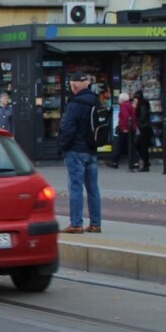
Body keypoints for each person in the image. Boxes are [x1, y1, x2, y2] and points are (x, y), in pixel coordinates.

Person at [56, 71, 102, 234]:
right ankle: (95, 224)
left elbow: (67, 128)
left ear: (74, 85)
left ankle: (76, 223)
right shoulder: (96, 101)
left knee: (75, 188)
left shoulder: (75, 104)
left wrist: (62, 147)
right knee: (93, 188)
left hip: (76, 150)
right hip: (92, 149)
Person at [113, 92, 137, 170]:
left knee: (120, 145)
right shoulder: (129, 105)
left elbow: (125, 117)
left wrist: (125, 128)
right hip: (130, 128)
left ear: (122, 99)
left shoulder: (123, 105)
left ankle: (115, 162)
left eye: (119, 98)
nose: (118, 100)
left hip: (125, 129)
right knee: (130, 146)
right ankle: (135, 162)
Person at [132, 89, 152, 172]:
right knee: (140, 146)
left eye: (135, 98)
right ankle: (145, 162)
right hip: (144, 127)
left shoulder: (142, 105)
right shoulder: (143, 104)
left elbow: (142, 116)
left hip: (143, 128)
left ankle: (145, 164)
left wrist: (138, 122)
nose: (134, 100)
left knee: (141, 146)